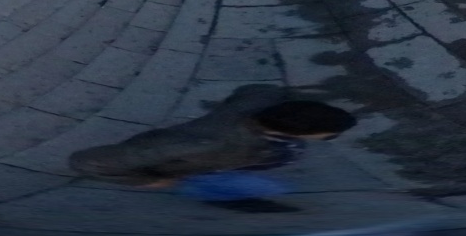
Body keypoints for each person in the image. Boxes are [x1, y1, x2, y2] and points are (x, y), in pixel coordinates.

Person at [69, 83, 357, 212]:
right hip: (201, 164)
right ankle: (217, 195)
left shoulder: (265, 99)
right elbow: (86, 161)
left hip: (241, 153)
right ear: (296, 131)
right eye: (328, 135)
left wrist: (225, 110)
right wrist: (146, 180)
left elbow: (254, 88)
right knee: (257, 186)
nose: (330, 137)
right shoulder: (205, 144)